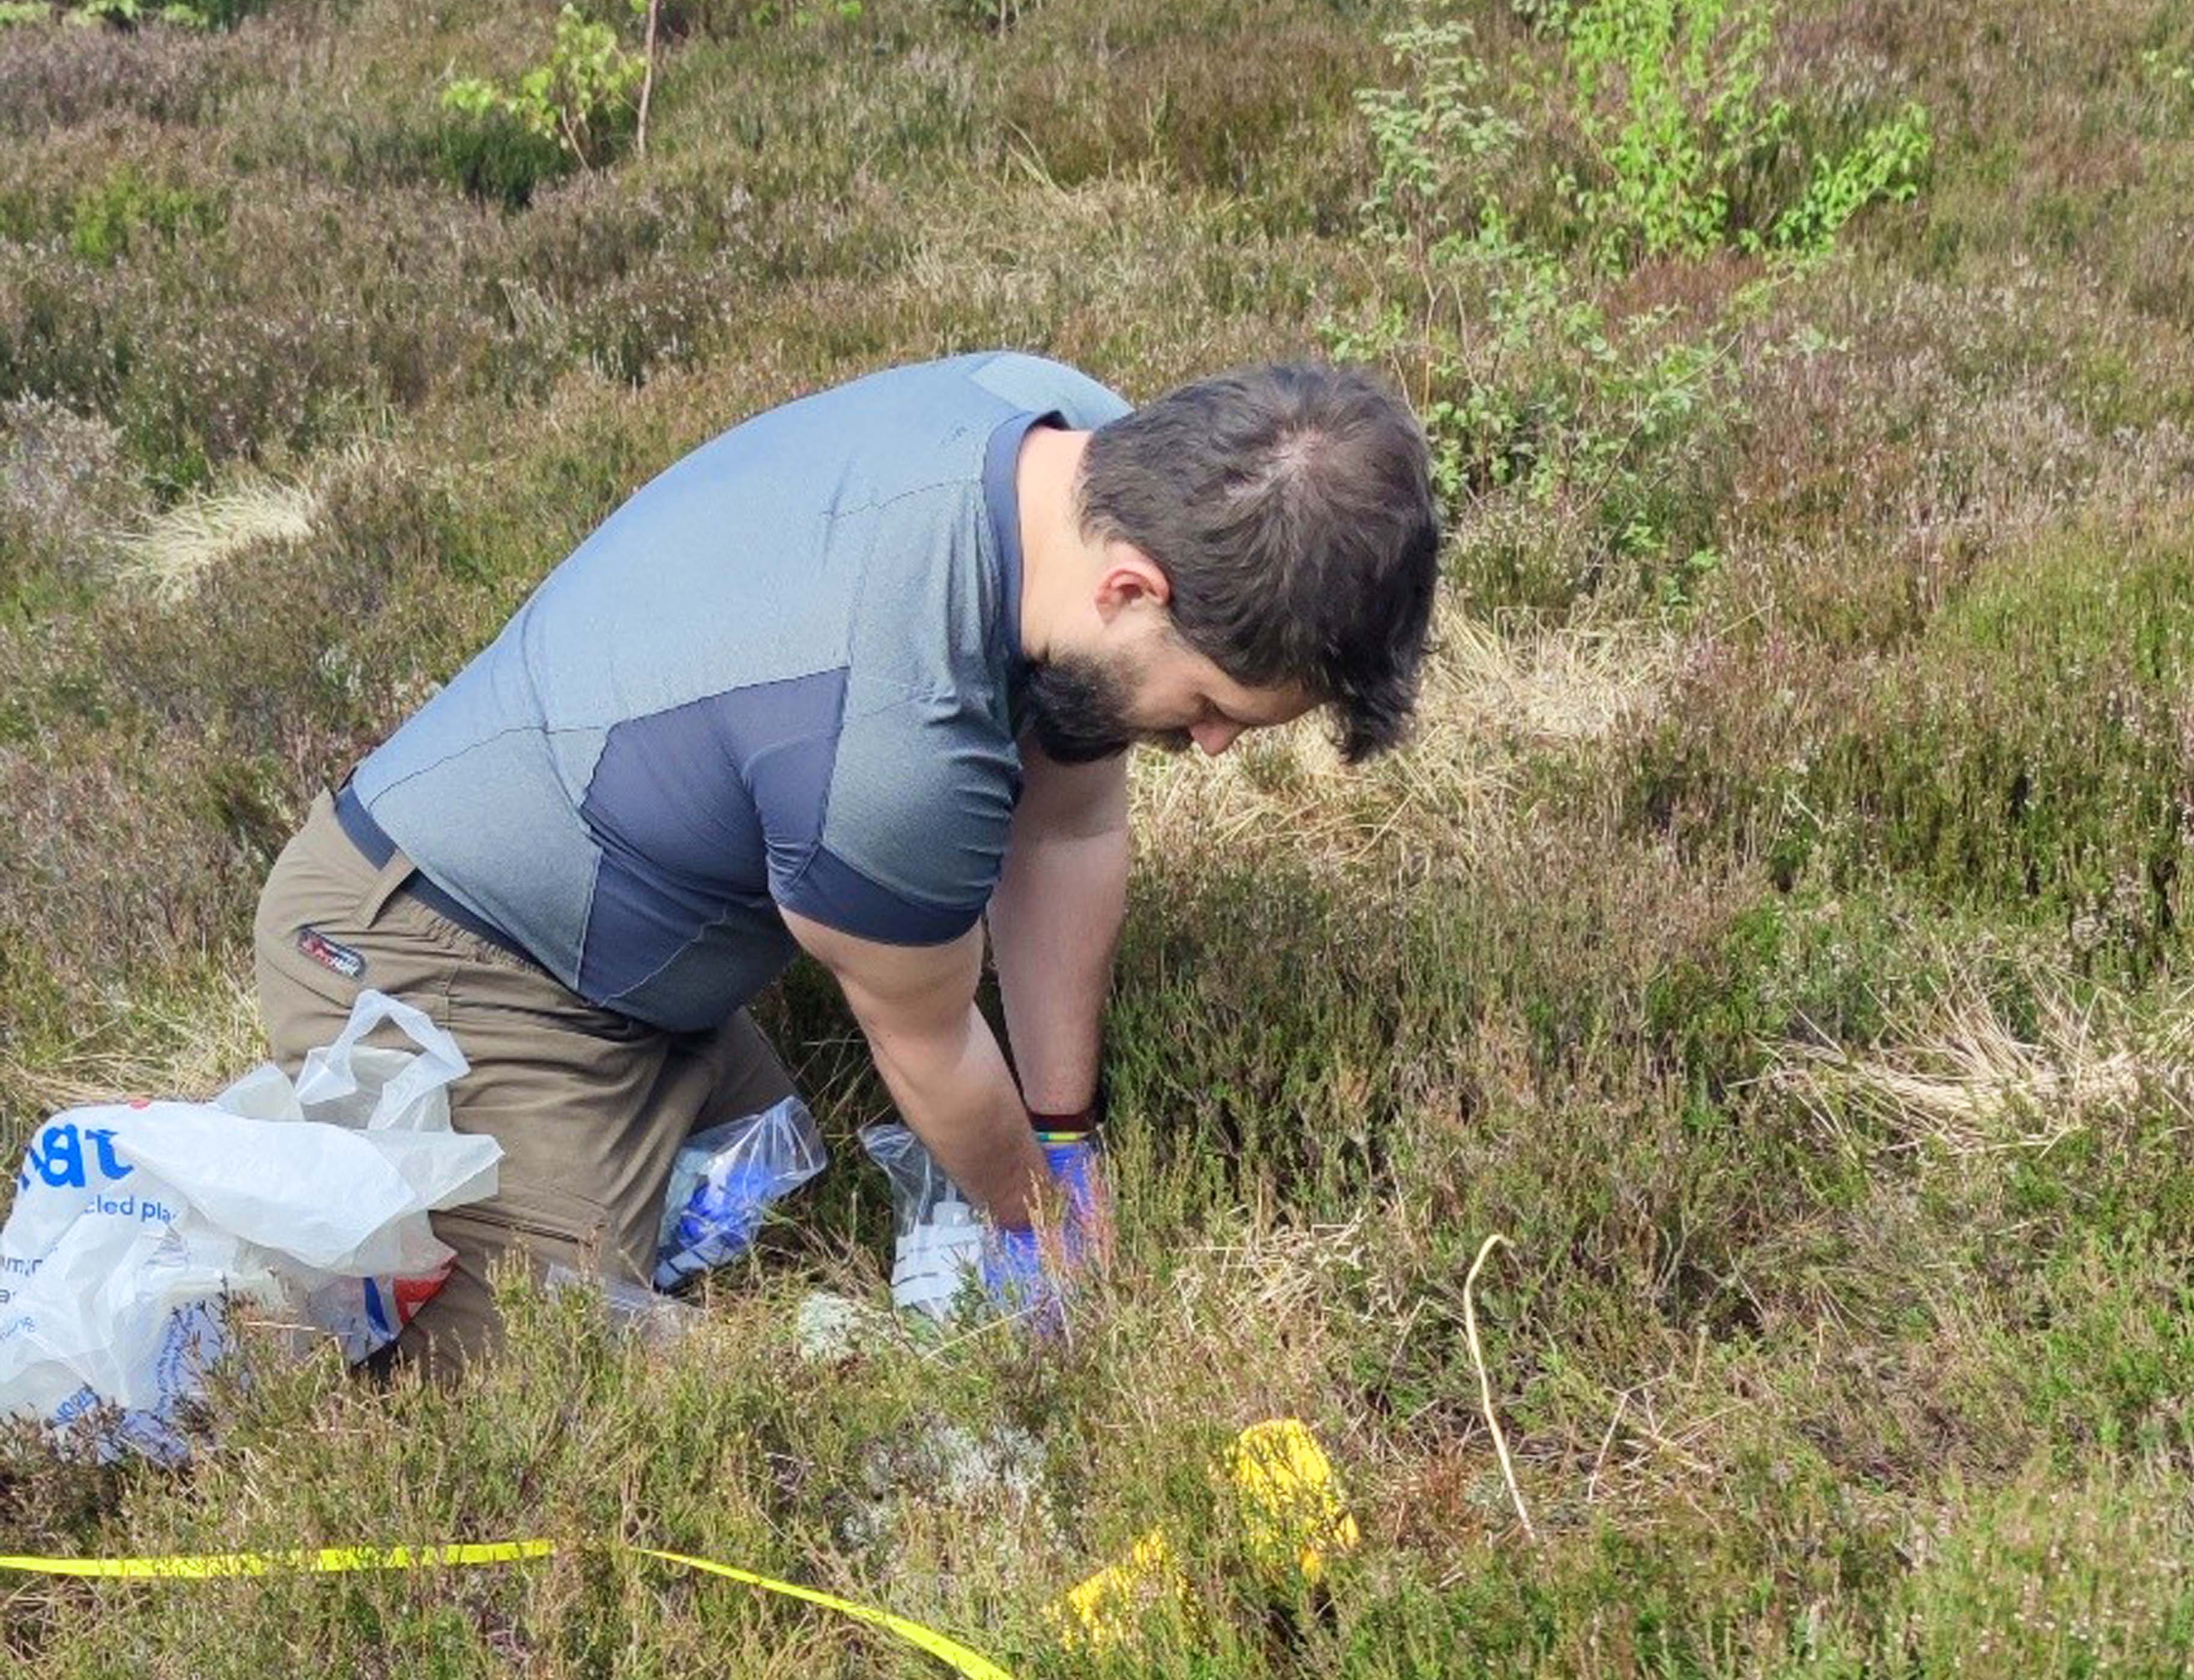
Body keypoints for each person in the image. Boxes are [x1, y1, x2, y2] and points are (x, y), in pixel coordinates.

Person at [250, 349, 1440, 1378]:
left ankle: (607, 1127)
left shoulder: (1068, 439)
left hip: (651, 946)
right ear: (1131, 588)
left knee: (770, 1199)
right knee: (562, 1372)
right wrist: (1037, 1228)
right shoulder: (889, 755)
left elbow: (1068, 819)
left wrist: (1061, 1135)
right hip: (431, 950)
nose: (1217, 746)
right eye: (1216, 704)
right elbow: (925, 1041)